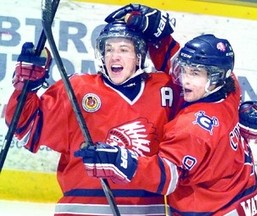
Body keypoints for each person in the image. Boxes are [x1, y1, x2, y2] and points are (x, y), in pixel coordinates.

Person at [5, 9, 182, 216]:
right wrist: (26, 88)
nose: (114, 56)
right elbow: (25, 127)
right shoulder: (76, 88)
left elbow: (203, 86)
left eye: (124, 49)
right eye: (108, 49)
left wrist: (163, 37)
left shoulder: (165, 89)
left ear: (139, 56)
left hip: (145, 211)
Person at [75, 33, 257, 215]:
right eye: (184, 71)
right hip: (249, 205)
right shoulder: (231, 92)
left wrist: (122, 161)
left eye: (195, 73)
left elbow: (168, 177)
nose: (184, 80)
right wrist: (161, 35)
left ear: (217, 77)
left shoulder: (191, 128)